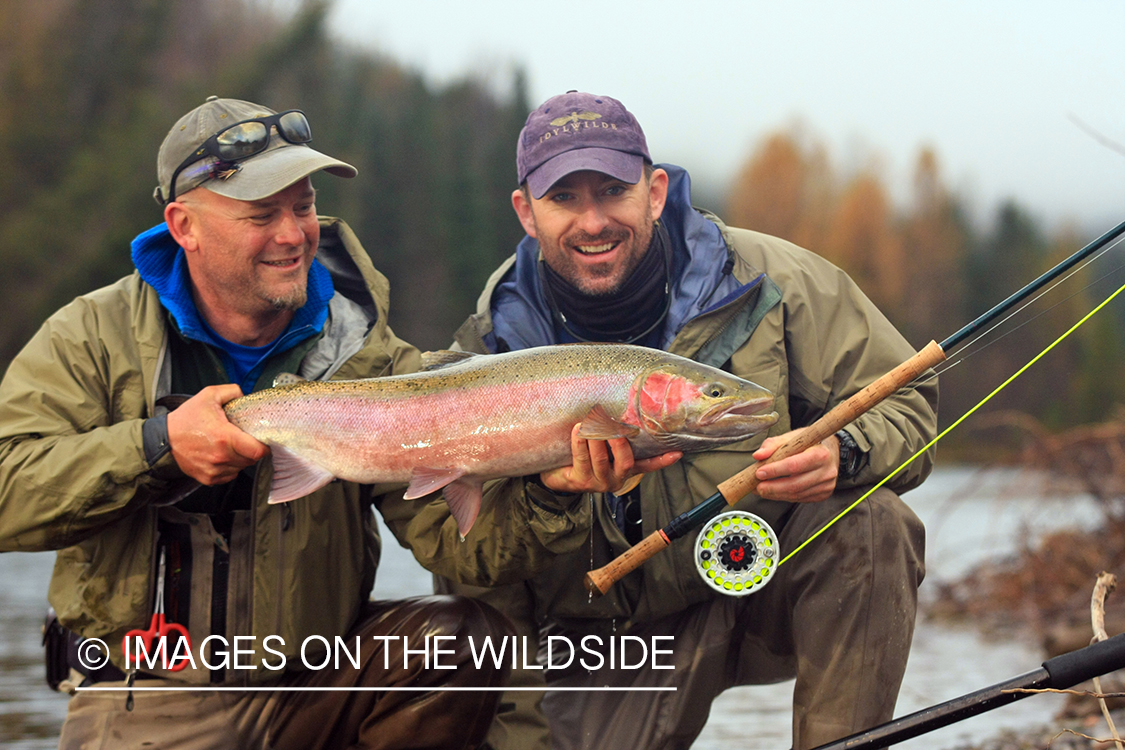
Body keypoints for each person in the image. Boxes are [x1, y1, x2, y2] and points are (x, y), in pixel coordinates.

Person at [0, 96, 677, 750]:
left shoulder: (365, 351)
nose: (294, 234)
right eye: (263, 214)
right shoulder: (93, 339)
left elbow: (457, 545)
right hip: (148, 696)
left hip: (318, 687)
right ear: (184, 227)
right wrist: (157, 448)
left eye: (305, 206)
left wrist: (546, 492)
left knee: (459, 644)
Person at [437, 91, 938, 750]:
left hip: (751, 579)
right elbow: (462, 560)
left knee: (870, 526)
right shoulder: (486, 347)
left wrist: (843, 452)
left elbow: (909, 399)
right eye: (565, 199)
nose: (592, 221)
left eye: (612, 191)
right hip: (600, 637)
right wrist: (543, 495)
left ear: (653, 190)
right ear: (525, 212)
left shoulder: (776, 284)